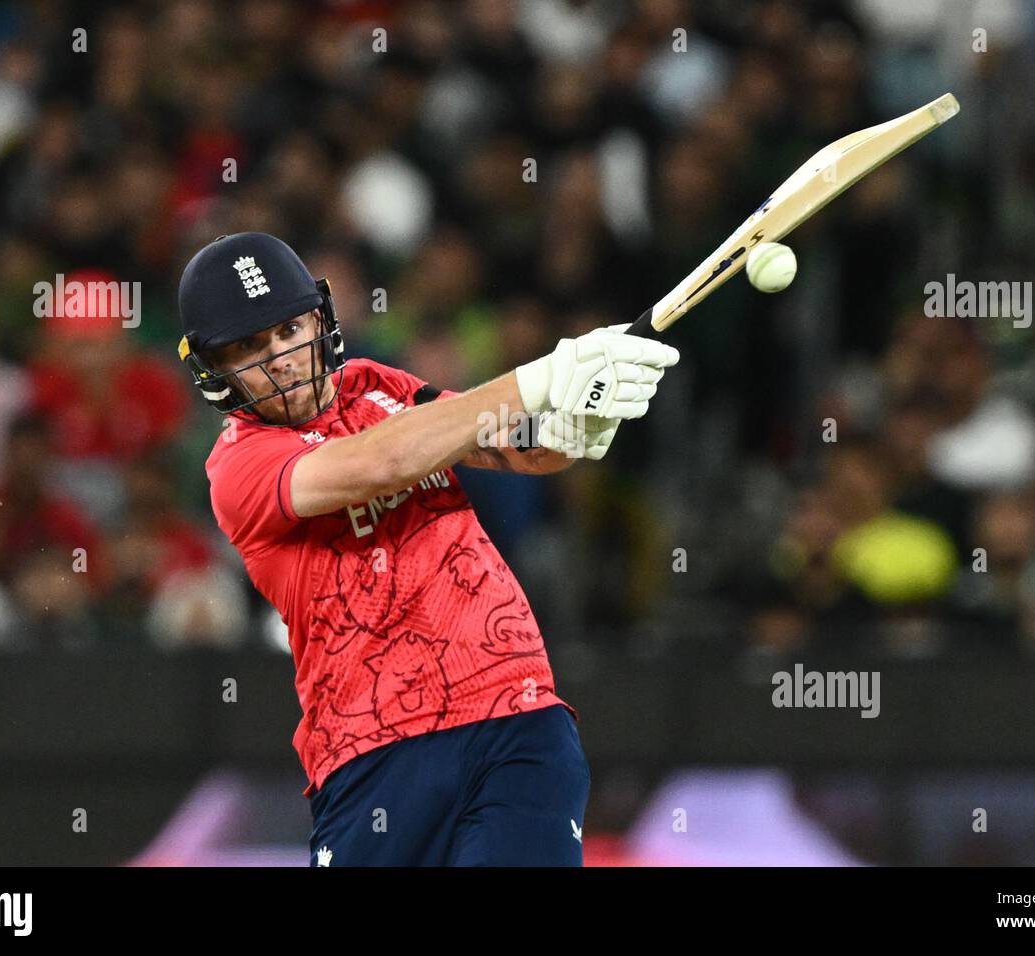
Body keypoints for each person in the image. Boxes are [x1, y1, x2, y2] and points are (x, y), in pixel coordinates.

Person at [177, 232, 678, 866]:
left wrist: (576, 422)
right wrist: (544, 375)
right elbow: (386, 460)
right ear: (214, 368)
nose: (279, 357)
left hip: (514, 709)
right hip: (373, 747)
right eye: (249, 347)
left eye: (288, 330)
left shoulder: (375, 383)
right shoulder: (238, 466)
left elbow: (504, 440)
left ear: (317, 319)